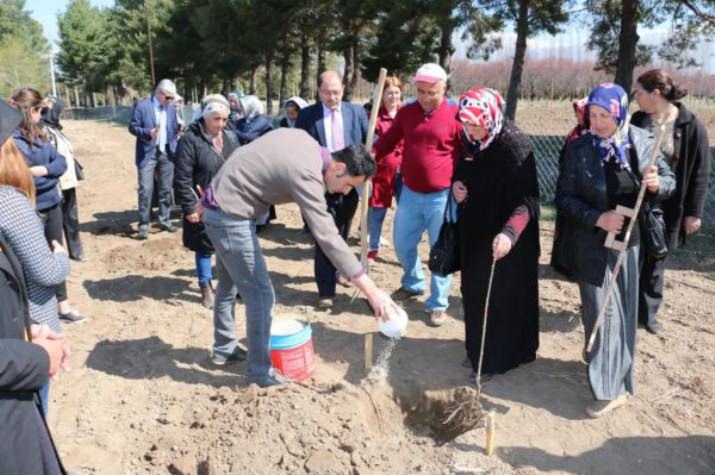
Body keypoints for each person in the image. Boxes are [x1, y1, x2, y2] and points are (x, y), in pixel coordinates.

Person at [201, 128, 399, 387]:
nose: (346, 192)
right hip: (230, 216)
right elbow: (326, 234)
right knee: (261, 296)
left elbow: (244, 153)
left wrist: (213, 191)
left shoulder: (306, 141)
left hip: (222, 207)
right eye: (349, 184)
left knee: (230, 283)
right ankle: (259, 373)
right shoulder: (307, 174)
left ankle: (224, 348)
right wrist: (372, 291)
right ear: (338, 167)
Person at [555, 83, 675, 418]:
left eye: (605, 115)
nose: (598, 121)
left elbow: (669, 182)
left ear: (619, 112)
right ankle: (608, 389)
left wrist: (656, 184)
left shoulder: (642, 141)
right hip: (592, 243)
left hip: (630, 242)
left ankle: (620, 377)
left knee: (623, 313)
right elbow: (563, 198)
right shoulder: (579, 149)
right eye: (593, 114)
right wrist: (598, 218)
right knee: (602, 311)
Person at [453, 88, 541, 382]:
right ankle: (476, 351)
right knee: (474, 293)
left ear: (490, 118)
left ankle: (497, 359)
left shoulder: (513, 144)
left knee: (502, 297)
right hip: (475, 232)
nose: (470, 130)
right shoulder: (467, 140)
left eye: (476, 124)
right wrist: (458, 189)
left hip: (510, 237)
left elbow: (528, 200)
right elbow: (462, 173)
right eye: (466, 124)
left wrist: (509, 234)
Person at [373, 63, 461, 327]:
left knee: (440, 250)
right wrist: (370, 156)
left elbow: (466, 154)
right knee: (401, 242)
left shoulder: (455, 114)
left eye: (431, 92)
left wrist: (463, 182)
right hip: (410, 192)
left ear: (443, 88)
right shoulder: (408, 112)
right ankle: (412, 283)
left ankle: (438, 303)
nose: (424, 97)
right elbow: (388, 141)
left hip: (442, 196)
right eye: (420, 91)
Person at [1, 98, 72, 417]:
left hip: (19, 332)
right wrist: (61, 259)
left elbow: (59, 163)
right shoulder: (10, 204)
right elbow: (46, 273)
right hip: (29, 331)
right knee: (33, 414)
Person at [632, 69, 711, 335]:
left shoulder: (691, 126)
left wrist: (693, 213)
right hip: (640, 204)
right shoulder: (638, 120)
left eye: (640, 92)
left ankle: (649, 314)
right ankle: (630, 309)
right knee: (635, 256)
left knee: (657, 258)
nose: (636, 97)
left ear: (656, 94)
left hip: (671, 209)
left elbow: (700, 173)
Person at [11, 87, 84, 326]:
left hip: (52, 203)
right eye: (39, 110)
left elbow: (61, 162)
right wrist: (47, 174)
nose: (41, 114)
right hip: (28, 208)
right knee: (31, 261)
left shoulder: (40, 134)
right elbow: (20, 177)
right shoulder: (11, 140)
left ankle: (62, 305)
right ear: (28, 110)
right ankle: (32, 313)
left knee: (56, 253)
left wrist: (44, 171)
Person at [296, 71, 369, 309]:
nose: (332, 97)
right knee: (324, 237)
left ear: (343, 88)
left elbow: (369, 141)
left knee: (342, 234)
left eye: (336, 92)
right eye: (327, 92)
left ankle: (340, 270)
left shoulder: (356, 112)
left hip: (349, 188)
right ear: (318, 91)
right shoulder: (308, 116)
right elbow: (301, 149)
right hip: (320, 185)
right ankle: (325, 290)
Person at [173, 95, 239, 309]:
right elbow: (182, 176)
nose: (220, 124)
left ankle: (230, 285)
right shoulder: (190, 140)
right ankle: (205, 286)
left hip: (228, 202)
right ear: (205, 117)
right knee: (204, 246)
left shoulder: (230, 137)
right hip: (201, 201)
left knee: (229, 245)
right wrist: (189, 206)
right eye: (216, 119)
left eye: (224, 119)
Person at [129, 78, 180, 239]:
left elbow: (172, 127)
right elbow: (132, 127)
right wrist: (147, 133)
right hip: (147, 153)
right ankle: (144, 224)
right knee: (145, 190)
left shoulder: (171, 108)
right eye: (168, 97)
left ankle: (164, 219)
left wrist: (176, 134)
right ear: (159, 93)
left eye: (172, 98)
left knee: (166, 189)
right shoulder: (142, 106)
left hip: (167, 152)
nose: (171, 100)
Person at [42, 95, 86, 262]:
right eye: (59, 111)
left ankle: (76, 251)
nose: (60, 114)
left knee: (71, 218)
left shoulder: (55, 130)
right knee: (56, 222)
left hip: (68, 182)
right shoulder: (43, 132)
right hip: (56, 184)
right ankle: (56, 256)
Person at [367, 76, 404, 262]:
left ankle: (405, 249)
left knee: (407, 211)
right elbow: (371, 143)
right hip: (383, 171)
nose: (393, 96)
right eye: (389, 93)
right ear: (382, 95)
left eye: (396, 92)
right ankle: (373, 247)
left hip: (406, 171)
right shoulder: (374, 116)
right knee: (378, 211)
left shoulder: (406, 114)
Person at [235, 95, 275, 228]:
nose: (241, 109)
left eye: (243, 106)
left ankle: (261, 221)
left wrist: (235, 131)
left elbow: (249, 137)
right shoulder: (241, 121)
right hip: (244, 162)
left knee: (261, 192)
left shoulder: (265, 121)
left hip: (261, 162)